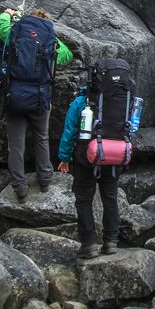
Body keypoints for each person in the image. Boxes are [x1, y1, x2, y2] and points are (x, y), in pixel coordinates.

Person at [0, 7, 73, 200]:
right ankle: (45, 179)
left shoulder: (16, 31)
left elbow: (0, 26)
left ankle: (20, 188)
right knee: (41, 138)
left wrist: (9, 13)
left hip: (16, 94)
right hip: (40, 96)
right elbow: (66, 55)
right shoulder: (51, 39)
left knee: (16, 145)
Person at [57, 85, 126, 259]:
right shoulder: (124, 101)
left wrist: (64, 157)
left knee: (84, 200)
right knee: (110, 197)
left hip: (86, 157)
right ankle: (111, 241)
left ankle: (89, 244)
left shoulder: (81, 102)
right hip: (115, 155)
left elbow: (70, 131)